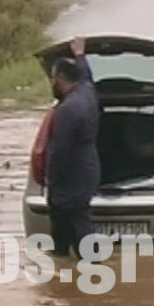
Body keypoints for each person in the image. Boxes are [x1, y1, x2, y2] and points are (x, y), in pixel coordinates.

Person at [46, 38, 100, 258]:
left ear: (59, 79)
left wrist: (51, 178)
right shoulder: (87, 92)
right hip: (88, 166)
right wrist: (80, 55)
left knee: (77, 218)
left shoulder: (68, 109)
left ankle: (91, 264)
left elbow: (60, 150)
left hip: (72, 172)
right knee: (66, 215)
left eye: (53, 79)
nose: (52, 84)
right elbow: (87, 76)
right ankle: (61, 258)